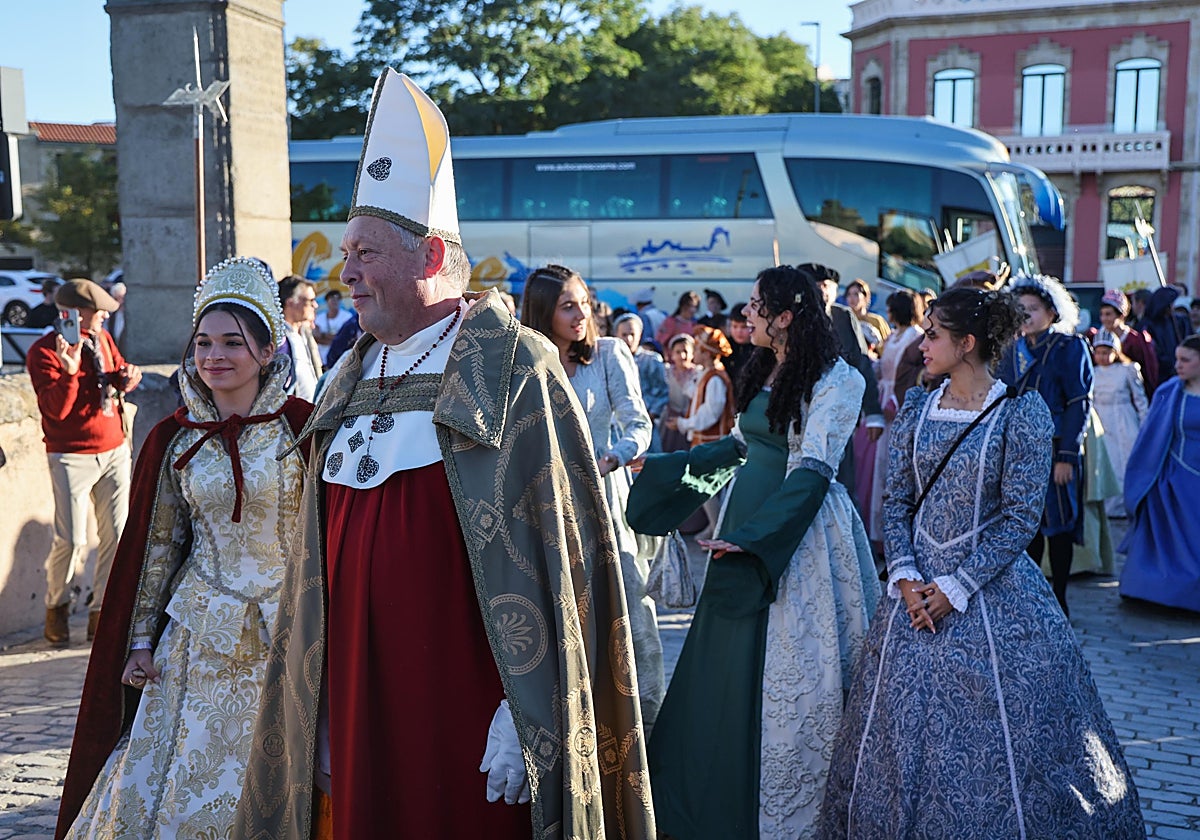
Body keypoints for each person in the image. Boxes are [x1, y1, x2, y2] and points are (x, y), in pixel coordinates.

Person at [234, 70, 653, 840]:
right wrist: (318, 700)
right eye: (346, 252)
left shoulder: (513, 367)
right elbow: (314, 572)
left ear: (429, 256)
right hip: (359, 710)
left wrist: (521, 707)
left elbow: (562, 560)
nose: (345, 271)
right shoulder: (347, 376)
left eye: (364, 252)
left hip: (467, 713)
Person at [821, 287, 1144, 839]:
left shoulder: (1021, 413)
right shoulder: (920, 407)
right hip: (911, 596)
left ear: (966, 343)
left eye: (934, 335)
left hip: (989, 592)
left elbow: (1020, 517)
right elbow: (895, 500)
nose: (923, 345)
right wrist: (904, 576)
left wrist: (955, 586)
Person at [55, 257, 312, 840]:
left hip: (285, 631)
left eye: (232, 343)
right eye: (202, 342)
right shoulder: (175, 438)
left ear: (269, 351)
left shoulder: (303, 428)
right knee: (177, 778)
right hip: (196, 635)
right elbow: (159, 546)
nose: (213, 356)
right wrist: (140, 641)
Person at [647, 264, 880, 839]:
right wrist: (661, 474)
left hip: (797, 536)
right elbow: (736, 449)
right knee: (723, 665)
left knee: (791, 672)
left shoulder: (839, 380)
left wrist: (755, 543)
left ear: (786, 315)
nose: (745, 313)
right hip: (746, 517)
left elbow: (813, 472)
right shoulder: (765, 366)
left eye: (755, 305)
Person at [522, 264, 663, 731]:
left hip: (603, 498)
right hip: (544, 503)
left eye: (584, 302)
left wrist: (611, 459)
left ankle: (645, 723)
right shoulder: (525, 362)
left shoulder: (607, 354)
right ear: (544, 311)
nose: (581, 313)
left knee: (628, 610)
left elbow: (639, 424)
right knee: (559, 612)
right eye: (567, 306)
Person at [27, 279, 142, 646]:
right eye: (99, 311)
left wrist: (126, 378)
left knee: (116, 534)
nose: (105, 315)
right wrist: (70, 370)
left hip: (113, 449)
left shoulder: (104, 340)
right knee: (72, 539)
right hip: (69, 455)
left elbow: (116, 373)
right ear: (73, 314)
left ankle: (101, 614)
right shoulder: (43, 352)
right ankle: (56, 607)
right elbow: (56, 411)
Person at [997, 274, 1092, 616]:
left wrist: (1066, 455)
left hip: (1054, 449)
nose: (1026, 315)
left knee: (1059, 524)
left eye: (1034, 308)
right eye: (1020, 309)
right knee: (1026, 524)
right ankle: (1031, 595)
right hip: (1018, 450)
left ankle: (1060, 596)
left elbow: (1078, 402)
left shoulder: (1069, 347)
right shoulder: (1010, 350)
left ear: (1052, 312)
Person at [1119, 334, 1200, 611]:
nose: (1178, 365)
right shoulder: (1170, 391)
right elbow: (1151, 434)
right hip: (1169, 477)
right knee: (1162, 538)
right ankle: (1153, 591)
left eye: (1186, 360)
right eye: (1177, 359)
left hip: (1196, 479)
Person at [810, 264, 884, 500]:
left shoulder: (843, 316)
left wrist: (873, 412)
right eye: (817, 286)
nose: (822, 291)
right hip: (804, 411)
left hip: (838, 411)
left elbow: (861, 364)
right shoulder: (796, 317)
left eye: (826, 286)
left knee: (841, 483)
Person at [867, 289, 923, 547]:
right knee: (881, 466)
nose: (887, 313)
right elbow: (883, 367)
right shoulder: (893, 336)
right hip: (883, 397)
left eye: (891, 308)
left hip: (898, 403)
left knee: (897, 466)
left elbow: (914, 376)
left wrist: (897, 399)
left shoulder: (915, 336)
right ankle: (879, 533)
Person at [1090, 330, 1148, 517]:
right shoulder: (1093, 373)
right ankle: (1109, 507)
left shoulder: (1127, 370)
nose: (1103, 357)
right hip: (1102, 421)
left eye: (1107, 352)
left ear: (1116, 352)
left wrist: (1144, 422)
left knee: (1125, 459)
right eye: (1099, 352)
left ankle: (1128, 504)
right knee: (1107, 461)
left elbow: (1140, 400)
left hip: (1123, 418)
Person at [1086, 288, 1157, 397]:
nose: (1104, 318)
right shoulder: (1094, 337)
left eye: (1108, 314)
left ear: (1121, 315)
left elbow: (1147, 374)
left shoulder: (1136, 341)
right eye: (1102, 314)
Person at [613, 312, 669, 450]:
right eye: (624, 335)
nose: (629, 339)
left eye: (633, 334)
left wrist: (651, 414)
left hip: (646, 423)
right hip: (617, 427)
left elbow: (663, 391)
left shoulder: (651, 360)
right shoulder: (610, 361)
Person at [278, 275, 324, 401]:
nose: (315, 305)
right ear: (291, 302)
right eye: (310, 300)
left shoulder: (305, 334)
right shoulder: (278, 339)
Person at [661, 332, 701, 453]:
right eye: (678, 352)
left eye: (686, 352)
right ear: (672, 354)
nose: (682, 356)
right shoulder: (666, 372)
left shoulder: (698, 373)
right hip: (670, 417)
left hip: (690, 419)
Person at [844, 278, 890, 353]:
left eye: (856, 294)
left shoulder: (876, 320)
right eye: (849, 294)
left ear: (866, 297)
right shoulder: (845, 320)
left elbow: (886, 347)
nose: (851, 298)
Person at [313, 288, 354, 365]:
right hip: (321, 359)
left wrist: (324, 336)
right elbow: (316, 338)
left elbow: (346, 339)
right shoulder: (319, 318)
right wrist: (336, 340)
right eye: (332, 299)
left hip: (341, 359)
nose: (335, 301)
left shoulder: (347, 317)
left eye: (337, 299)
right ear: (327, 301)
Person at [725, 302, 754, 384]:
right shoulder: (725, 347)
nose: (739, 331)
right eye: (734, 326)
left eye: (744, 327)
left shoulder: (758, 348)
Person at [105, 282, 128, 353]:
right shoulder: (111, 316)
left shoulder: (130, 316)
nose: (120, 302)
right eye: (116, 299)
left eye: (121, 298)